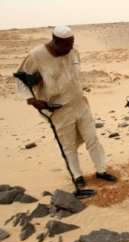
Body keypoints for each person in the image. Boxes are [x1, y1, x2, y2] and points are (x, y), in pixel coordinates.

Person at [15, 25, 117, 188]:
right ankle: (77, 177)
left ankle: (101, 170)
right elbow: (20, 80)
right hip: (59, 110)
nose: (71, 48)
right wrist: (32, 101)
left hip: (80, 105)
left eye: (72, 44)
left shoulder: (73, 52)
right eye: (67, 45)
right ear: (55, 41)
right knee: (68, 146)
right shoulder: (36, 56)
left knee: (92, 139)